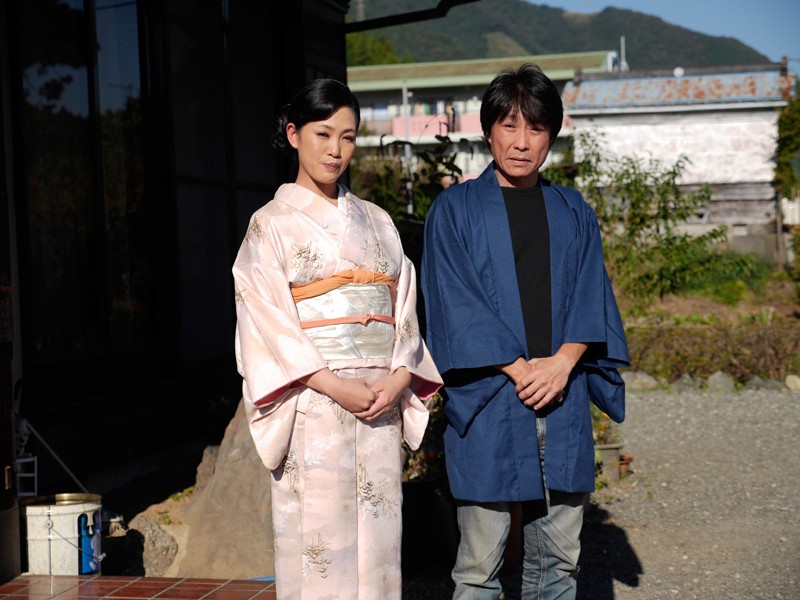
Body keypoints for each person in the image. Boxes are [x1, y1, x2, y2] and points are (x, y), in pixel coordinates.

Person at [421, 64, 629, 599]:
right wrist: (520, 369)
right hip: (491, 398)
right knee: (478, 566)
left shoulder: (573, 211)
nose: (521, 142)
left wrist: (562, 363)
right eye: (509, 126)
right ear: (488, 130)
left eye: (535, 128)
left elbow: (592, 294)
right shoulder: (456, 210)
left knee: (559, 564)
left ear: (551, 135)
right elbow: (453, 302)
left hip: (562, 397)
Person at [233, 78, 442, 599]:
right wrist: (331, 384)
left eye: (347, 138)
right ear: (294, 134)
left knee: (379, 548)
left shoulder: (378, 221)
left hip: (379, 402)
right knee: (320, 549)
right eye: (323, 134)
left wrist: (400, 377)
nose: (335, 150)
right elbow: (265, 320)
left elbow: (403, 306)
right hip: (313, 403)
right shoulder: (270, 225)